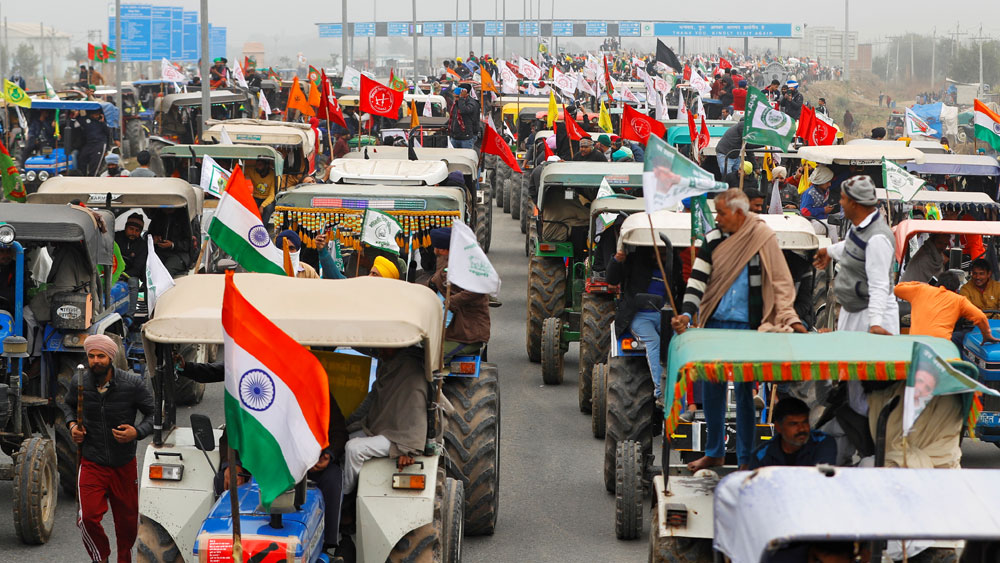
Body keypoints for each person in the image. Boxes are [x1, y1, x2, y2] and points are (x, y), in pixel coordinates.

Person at [672, 189, 807, 471]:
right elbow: (698, 280)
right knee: (712, 388)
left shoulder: (761, 237)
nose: (717, 219)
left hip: (751, 326)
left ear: (738, 214)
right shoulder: (712, 239)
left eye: (721, 213)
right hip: (715, 322)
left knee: (746, 392)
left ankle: (745, 459)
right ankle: (715, 452)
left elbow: (781, 281)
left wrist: (790, 319)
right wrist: (686, 313)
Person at [61, 334, 155, 563]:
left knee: (127, 525)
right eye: (91, 356)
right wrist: (72, 425)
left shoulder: (132, 384)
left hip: (124, 464)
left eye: (101, 356)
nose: (96, 361)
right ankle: (100, 557)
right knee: (87, 518)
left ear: (110, 358)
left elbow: (155, 413)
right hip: (92, 461)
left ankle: (124, 558)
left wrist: (137, 432)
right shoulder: (79, 382)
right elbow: (67, 405)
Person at [814, 175, 897, 336]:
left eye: (843, 198)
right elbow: (852, 245)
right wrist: (829, 251)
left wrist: (875, 324)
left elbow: (879, 285)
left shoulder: (877, 238)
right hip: (853, 310)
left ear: (854, 203)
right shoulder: (859, 228)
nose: (840, 203)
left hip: (869, 316)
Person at [342, 346, 428, 495]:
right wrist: (346, 423)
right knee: (341, 443)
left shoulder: (411, 371)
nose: (380, 352)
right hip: (382, 427)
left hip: (402, 439)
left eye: (385, 348)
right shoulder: (388, 367)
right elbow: (373, 398)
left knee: (353, 449)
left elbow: (415, 416)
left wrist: (407, 450)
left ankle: (344, 497)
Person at [426, 228, 491, 359]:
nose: (434, 250)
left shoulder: (467, 266)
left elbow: (478, 288)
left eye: (437, 247)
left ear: (443, 249)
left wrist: (452, 301)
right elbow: (435, 283)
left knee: (434, 356)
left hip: (466, 334)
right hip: (447, 331)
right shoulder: (447, 263)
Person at [896, 271, 1000, 348]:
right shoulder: (959, 300)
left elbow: (897, 289)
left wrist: (919, 284)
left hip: (915, 345)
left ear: (939, 284)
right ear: (956, 290)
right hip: (941, 347)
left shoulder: (921, 289)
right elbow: (981, 317)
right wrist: (986, 335)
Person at [748, 398, 837, 469]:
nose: (801, 429)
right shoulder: (761, 456)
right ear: (778, 427)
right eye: (793, 424)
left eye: (805, 422)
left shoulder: (823, 443)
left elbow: (821, 479)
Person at [115, 213, 148, 317]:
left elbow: (138, 268)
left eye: (137, 230)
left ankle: (130, 316)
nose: (133, 232)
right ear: (126, 227)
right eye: (131, 229)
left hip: (130, 274)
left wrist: (124, 275)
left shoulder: (142, 245)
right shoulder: (116, 238)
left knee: (133, 283)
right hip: (113, 271)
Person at [146, 208, 194, 277]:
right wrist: (154, 239)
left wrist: (172, 244)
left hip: (180, 254)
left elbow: (188, 244)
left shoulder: (185, 219)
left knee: (167, 270)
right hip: (160, 252)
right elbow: (149, 234)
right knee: (150, 268)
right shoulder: (158, 217)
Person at [78, 110, 112, 177]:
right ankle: (83, 175)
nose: (96, 116)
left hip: (100, 143)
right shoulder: (84, 120)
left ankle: (93, 176)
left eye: (98, 114)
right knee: (82, 158)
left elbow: (108, 133)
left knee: (95, 162)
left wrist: (103, 123)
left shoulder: (103, 122)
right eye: (95, 114)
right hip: (89, 143)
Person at [245, 158, 278, 224]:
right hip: (256, 197)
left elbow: (272, 196)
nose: (257, 167)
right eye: (257, 165)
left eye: (260, 165)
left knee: (268, 209)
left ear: (266, 166)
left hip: (268, 199)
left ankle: (262, 226)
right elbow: (239, 169)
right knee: (249, 207)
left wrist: (262, 206)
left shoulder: (272, 175)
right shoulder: (252, 171)